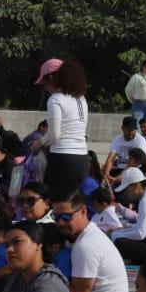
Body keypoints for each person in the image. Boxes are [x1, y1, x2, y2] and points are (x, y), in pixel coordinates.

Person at [52, 192, 128, 292]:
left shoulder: (86, 245)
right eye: (56, 217)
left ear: (83, 211)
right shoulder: (87, 234)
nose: (60, 222)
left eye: (66, 217)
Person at [38, 58, 90, 196]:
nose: (45, 87)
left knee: (52, 202)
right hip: (82, 160)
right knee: (72, 204)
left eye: (45, 82)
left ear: (51, 78)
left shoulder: (55, 99)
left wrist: (39, 143)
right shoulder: (81, 99)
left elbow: (54, 135)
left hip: (62, 159)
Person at [104, 116, 146, 181]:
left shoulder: (141, 140)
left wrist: (119, 176)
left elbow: (135, 163)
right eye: (128, 129)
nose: (130, 132)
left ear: (136, 129)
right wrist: (106, 174)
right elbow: (110, 159)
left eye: (132, 130)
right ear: (122, 128)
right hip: (120, 169)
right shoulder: (117, 139)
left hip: (135, 170)